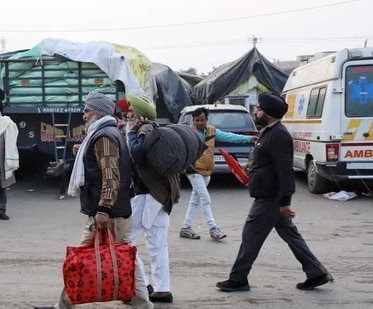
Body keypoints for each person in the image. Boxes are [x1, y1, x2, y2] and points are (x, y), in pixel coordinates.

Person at [34, 92, 153, 309]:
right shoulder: (106, 134)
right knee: (126, 259)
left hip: (109, 213)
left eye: (87, 110)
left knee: (79, 260)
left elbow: (110, 175)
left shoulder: (104, 137)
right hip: (119, 210)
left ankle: (62, 306)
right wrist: (84, 151)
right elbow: (104, 164)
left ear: (97, 112)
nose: (83, 113)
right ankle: (144, 304)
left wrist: (103, 209)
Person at [216, 93, 332, 292]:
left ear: (268, 114)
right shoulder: (268, 132)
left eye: (259, 109)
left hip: (271, 198)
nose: (255, 111)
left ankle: (238, 279)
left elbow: (285, 170)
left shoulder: (278, 135)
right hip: (269, 195)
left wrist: (285, 201)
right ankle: (316, 273)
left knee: (250, 236)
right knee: (291, 235)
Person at [126, 95, 178, 303]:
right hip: (162, 195)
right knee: (157, 243)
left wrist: (130, 132)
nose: (127, 113)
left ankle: (142, 285)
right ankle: (162, 289)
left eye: (131, 111)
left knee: (125, 239)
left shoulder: (144, 131)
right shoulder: (156, 130)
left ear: (139, 115)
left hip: (148, 194)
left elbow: (137, 155)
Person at [179, 107, 257, 241]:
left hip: (207, 170)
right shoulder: (189, 133)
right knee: (205, 199)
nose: (199, 123)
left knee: (195, 200)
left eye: (202, 120)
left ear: (206, 120)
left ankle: (186, 227)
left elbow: (230, 137)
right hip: (194, 170)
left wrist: (249, 139)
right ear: (193, 120)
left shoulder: (211, 131)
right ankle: (213, 228)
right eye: (196, 120)